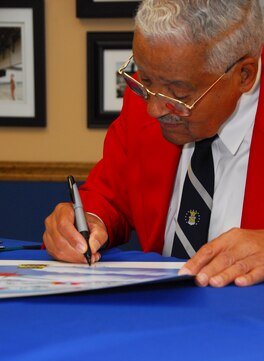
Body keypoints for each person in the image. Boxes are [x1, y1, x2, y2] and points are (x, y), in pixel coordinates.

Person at [44, 0, 264, 288]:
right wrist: (83, 223)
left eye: (179, 94)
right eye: (143, 79)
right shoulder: (147, 98)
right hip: (160, 316)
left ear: (244, 75)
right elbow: (110, 197)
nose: (154, 109)